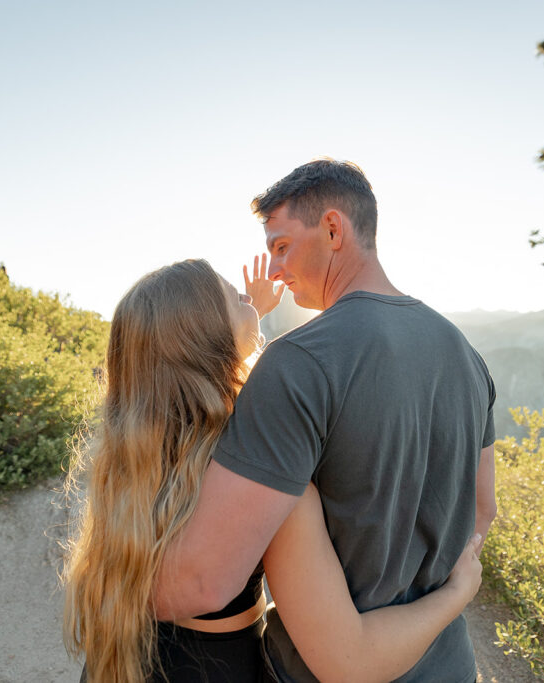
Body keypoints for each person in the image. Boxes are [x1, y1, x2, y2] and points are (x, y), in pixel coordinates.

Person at [153, 160, 497, 682]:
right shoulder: (468, 357)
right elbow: (482, 508)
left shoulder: (297, 362)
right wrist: (443, 591)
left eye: (282, 246)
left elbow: (207, 579)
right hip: (450, 666)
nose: (274, 269)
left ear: (334, 230)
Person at [63, 258, 485, 682]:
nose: (250, 297)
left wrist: (251, 313)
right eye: (237, 296)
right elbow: (353, 661)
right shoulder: (259, 473)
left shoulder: (133, 455)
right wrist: (457, 593)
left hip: (117, 663)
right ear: (207, 335)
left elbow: (192, 358)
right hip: (214, 669)